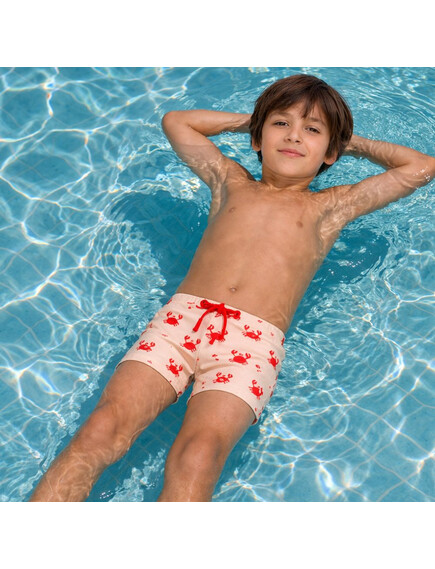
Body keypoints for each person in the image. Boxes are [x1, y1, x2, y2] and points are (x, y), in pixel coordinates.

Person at [29, 74, 435, 502]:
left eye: (312, 130)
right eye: (281, 124)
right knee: (102, 428)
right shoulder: (229, 181)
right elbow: (177, 122)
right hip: (180, 323)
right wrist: (254, 122)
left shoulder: (331, 207)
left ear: (331, 152)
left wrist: (346, 143)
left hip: (251, 345)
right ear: (258, 137)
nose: (294, 136)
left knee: (198, 456)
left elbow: (421, 166)